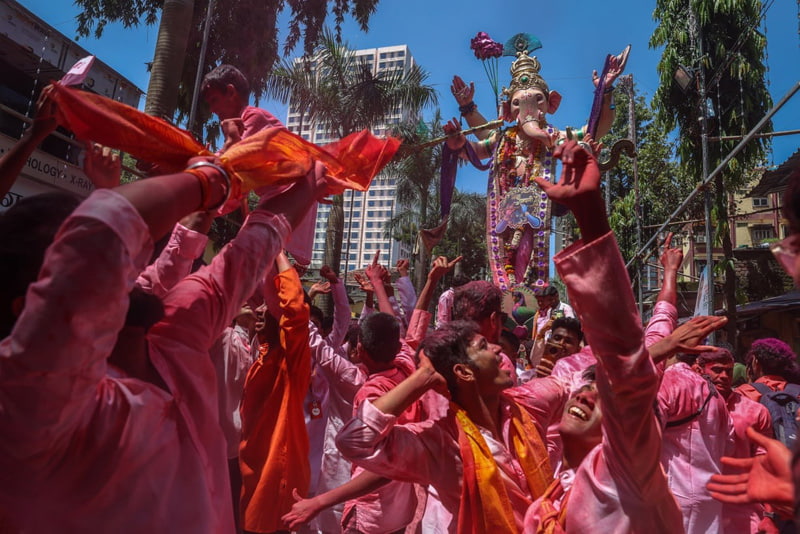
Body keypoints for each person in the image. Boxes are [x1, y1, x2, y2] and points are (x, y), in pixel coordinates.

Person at [0, 123, 331, 534]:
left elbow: (243, 253)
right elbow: (100, 234)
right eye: (64, 259)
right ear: (28, 309)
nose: (127, 258)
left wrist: (312, 182)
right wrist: (213, 179)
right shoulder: (26, 409)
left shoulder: (172, 336)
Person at [444, 43, 628, 290]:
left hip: (534, 217)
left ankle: (527, 309)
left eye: (536, 100)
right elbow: (476, 148)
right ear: (508, 111)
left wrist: (604, 92)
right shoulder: (503, 138)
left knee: (527, 275)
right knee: (502, 274)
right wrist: (460, 140)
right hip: (503, 216)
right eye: (519, 102)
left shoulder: (553, 136)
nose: (528, 108)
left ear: (551, 104)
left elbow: (595, 129)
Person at [693, 348, 773, 531]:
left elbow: (765, 465)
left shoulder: (755, 411)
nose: (723, 376)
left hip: (742, 513)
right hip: (697, 512)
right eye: (717, 370)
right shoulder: (686, 410)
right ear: (700, 370)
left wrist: (769, 516)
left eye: (728, 371)